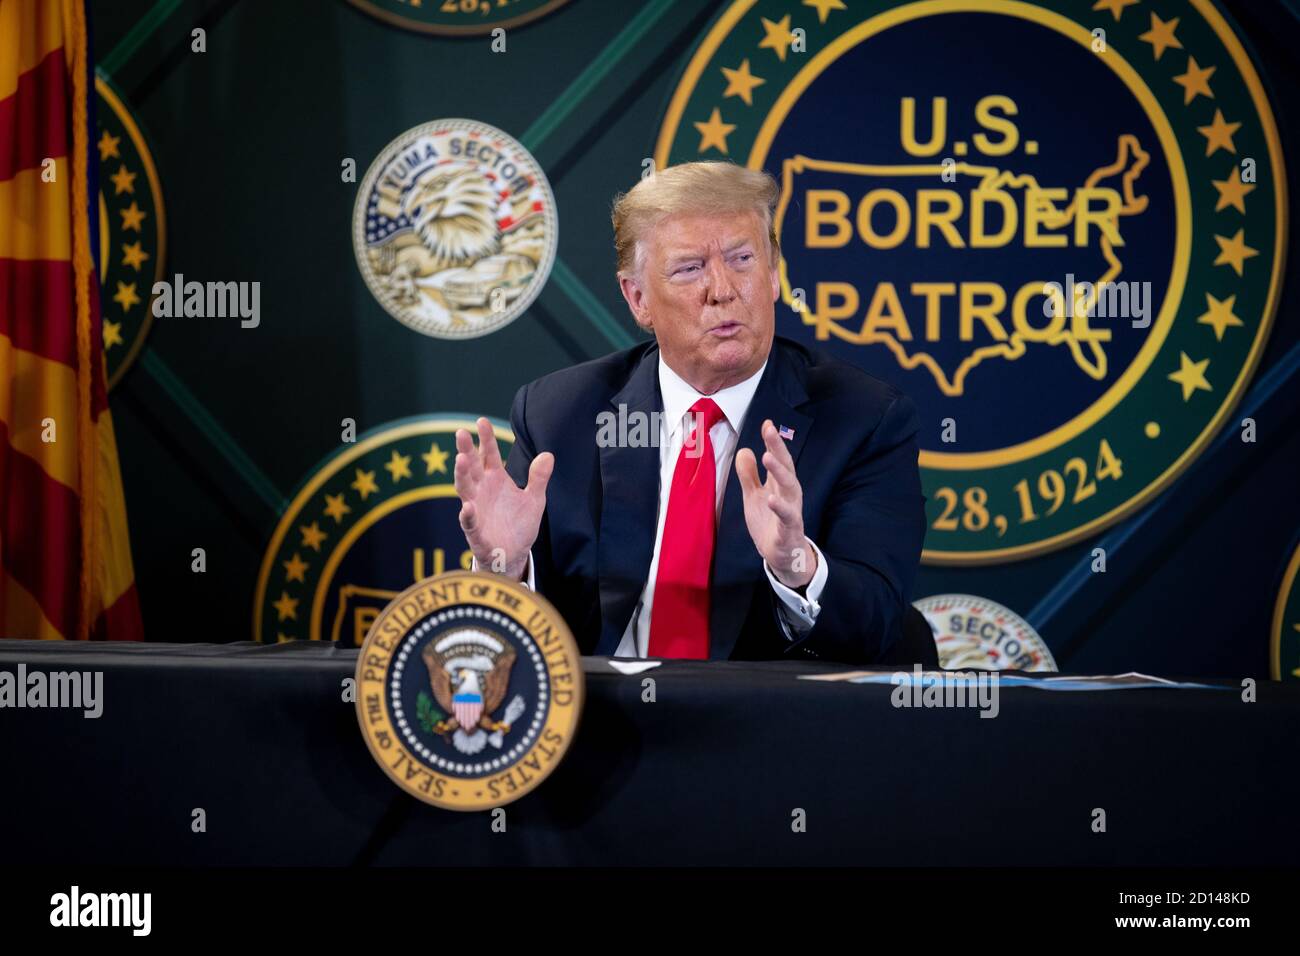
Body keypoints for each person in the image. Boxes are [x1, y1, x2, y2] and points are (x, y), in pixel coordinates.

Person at [454, 161, 925, 663]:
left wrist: (797, 566)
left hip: (770, 726)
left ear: (772, 276)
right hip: (607, 721)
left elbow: (876, 625)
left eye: (742, 259)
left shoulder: (862, 419)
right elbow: (530, 649)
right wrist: (504, 568)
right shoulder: (559, 415)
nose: (722, 289)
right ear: (638, 300)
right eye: (689, 268)